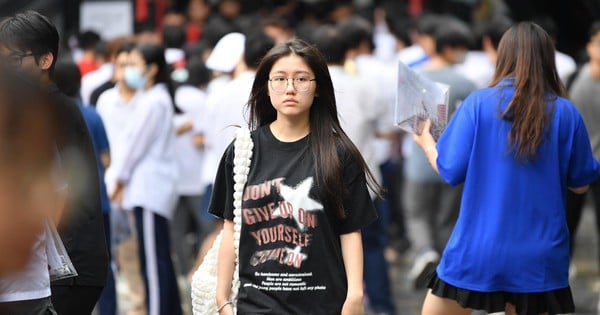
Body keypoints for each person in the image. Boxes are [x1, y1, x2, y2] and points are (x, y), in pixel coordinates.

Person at [413, 22, 600, 315]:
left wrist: (426, 142)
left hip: (478, 250)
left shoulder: (478, 104)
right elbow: (581, 183)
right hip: (540, 258)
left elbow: (450, 171)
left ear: (503, 56)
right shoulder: (566, 112)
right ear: (547, 58)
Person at [211, 38, 380, 314]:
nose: (290, 88)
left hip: (322, 304)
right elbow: (230, 227)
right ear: (266, 87)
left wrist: (355, 297)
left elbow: (350, 231)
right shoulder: (243, 150)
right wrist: (223, 299)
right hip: (256, 305)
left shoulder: (338, 153)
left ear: (317, 89)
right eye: (279, 78)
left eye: (302, 79)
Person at [0, 10, 108, 315]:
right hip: (57, 266)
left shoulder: (48, 110)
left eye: (13, 60)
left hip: (66, 268)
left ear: (45, 60)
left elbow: (59, 194)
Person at [403, 17, 477, 290]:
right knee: (448, 218)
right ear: (448, 48)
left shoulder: (413, 77)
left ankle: (424, 252)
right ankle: (448, 271)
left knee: (416, 214)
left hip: (419, 162)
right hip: (454, 164)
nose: (463, 53)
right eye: (460, 47)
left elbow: (405, 122)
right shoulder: (467, 84)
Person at [107, 43, 182, 315]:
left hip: (149, 189)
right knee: (158, 256)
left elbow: (133, 148)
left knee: (152, 260)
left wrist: (117, 181)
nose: (129, 70)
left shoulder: (153, 101)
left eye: (135, 63)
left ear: (152, 69)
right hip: (150, 188)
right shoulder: (151, 98)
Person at [53, 60, 117, 315]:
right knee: (103, 264)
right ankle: (109, 310)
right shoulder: (90, 113)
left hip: (67, 209)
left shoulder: (51, 116)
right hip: (98, 202)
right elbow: (106, 157)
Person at [566, 21, 600, 276]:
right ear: (589, 46)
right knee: (566, 222)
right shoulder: (574, 77)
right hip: (572, 163)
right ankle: (559, 272)